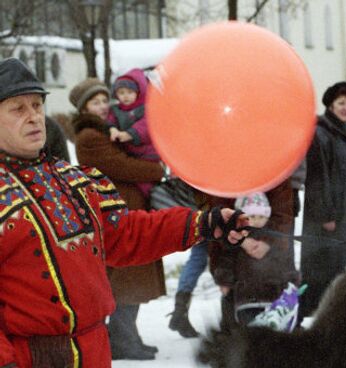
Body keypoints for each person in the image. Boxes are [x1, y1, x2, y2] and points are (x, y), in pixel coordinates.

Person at [0, 58, 247, 368]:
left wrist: (202, 223)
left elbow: (125, 234)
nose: (34, 116)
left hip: (94, 351)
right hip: (29, 358)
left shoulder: (75, 180)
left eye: (36, 105)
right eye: (18, 109)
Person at [68, 77, 170, 359]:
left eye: (104, 100)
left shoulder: (109, 130)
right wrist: (156, 170)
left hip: (125, 212)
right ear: (83, 107)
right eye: (95, 102)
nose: (102, 107)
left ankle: (127, 336)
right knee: (127, 279)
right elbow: (122, 166)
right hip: (115, 215)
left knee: (132, 276)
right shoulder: (90, 137)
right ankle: (123, 340)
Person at [301, 81, 346, 320]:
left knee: (345, 263)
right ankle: (317, 314)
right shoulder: (320, 134)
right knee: (324, 266)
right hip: (328, 215)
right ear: (330, 105)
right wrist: (325, 214)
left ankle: (341, 313)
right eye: (341, 103)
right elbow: (317, 177)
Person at [211, 189, 299, 330]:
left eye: (261, 216)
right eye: (252, 216)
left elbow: (284, 260)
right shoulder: (235, 239)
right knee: (249, 332)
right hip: (246, 298)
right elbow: (227, 260)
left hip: (272, 297)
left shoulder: (274, 239)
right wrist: (224, 280)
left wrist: (292, 280)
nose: (257, 221)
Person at [107, 68, 159, 197]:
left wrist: (130, 134)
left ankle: (151, 198)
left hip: (146, 154)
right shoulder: (116, 110)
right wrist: (112, 129)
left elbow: (147, 125)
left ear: (138, 92)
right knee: (134, 182)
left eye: (130, 92)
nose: (125, 96)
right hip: (130, 153)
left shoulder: (144, 108)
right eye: (121, 92)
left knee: (146, 183)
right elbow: (110, 121)